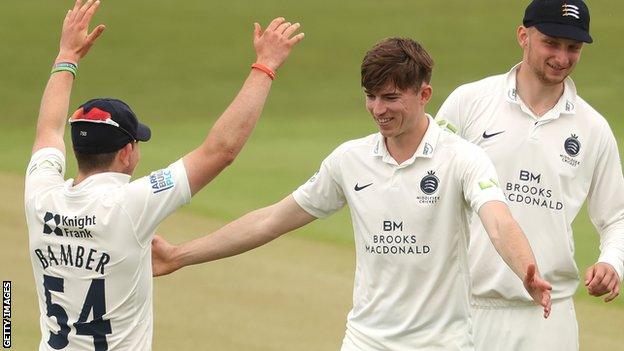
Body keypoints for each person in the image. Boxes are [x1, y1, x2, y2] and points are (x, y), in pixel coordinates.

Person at [152, 37, 552, 350]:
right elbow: (271, 221)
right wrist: (180, 255)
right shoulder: (350, 160)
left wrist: (526, 270)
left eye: (391, 97)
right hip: (365, 341)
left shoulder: (462, 158)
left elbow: (497, 220)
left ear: (424, 95)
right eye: (371, 96)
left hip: (441, 345)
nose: (378, 109)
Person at [24, 0, 304, 349]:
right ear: (127, 152)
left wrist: (66, 54)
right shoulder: (131, 204)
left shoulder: (40, 196)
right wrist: (265, 66)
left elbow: (47, 131)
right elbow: (220, 152)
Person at [434, 0, 624, 349]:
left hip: (550, 318)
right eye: (551, 43)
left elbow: (617, 217)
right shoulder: (470, 102)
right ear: (523, 35)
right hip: (466, 308)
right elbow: (427, 186)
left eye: (573, 48)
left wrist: (612, 262)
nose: (562, 57)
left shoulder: (593, 128)